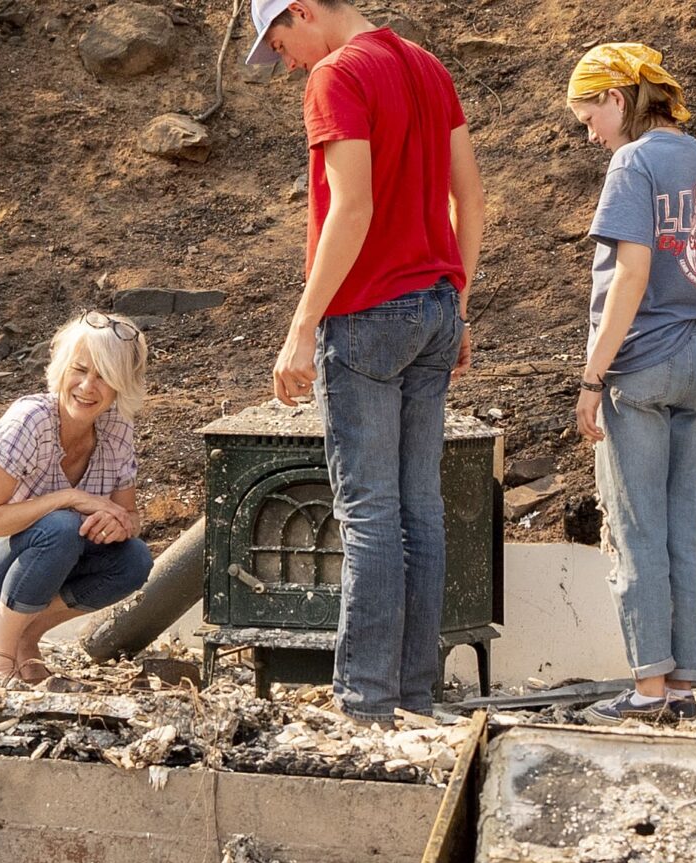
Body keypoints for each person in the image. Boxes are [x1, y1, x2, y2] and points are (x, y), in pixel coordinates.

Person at [252, 0, 486, 727]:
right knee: (420, 507)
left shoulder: (335, 76)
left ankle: (364, 701)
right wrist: (459, 296)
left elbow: (351, 208)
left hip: (367, 315)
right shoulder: (427, 66)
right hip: (434, 308)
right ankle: (416, 695)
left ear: (300, 10)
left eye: (280, 40)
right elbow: (470, 197)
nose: (284, 59)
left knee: (369, 513)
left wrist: (302, 325)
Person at [567, 44, 696, 724]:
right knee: (682, 528)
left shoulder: (631, 163)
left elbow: (629, 276)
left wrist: (591, 376)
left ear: (618, 98)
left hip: (639, 368)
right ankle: (684, 686)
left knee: (635, 532)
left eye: (588, 116)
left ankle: (648, 693)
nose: (590, 132)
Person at [0, 314, 153, 688]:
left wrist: (120, 523)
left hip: (28, 572)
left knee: (134, 559)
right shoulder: (30, 420)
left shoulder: (117, 426)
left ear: (122, 385)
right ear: (61, 368)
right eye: (79, 370)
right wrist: (70, 497)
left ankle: (26, 638)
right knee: (60, 525)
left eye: (105, 376)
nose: (88, 386)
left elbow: (130, 515)